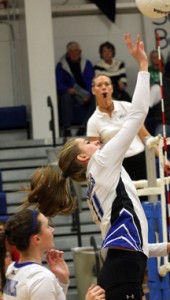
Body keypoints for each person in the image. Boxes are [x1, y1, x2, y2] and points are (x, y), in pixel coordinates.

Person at [20, 33, 170, 300]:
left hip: (122, 268)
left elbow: (126, 237)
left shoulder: (97, 183)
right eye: (87, 143)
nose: (95, 143)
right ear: (83, 157)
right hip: (122, 270)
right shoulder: (101, 162)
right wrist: (143, 65)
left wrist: (163, 248)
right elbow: (137, 115)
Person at [0, 209, 105, 300]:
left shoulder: (12, 268)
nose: (52, 229)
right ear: (37, 239)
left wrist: (62, 280)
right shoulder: (41, 278)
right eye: (47, 226)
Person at [56, 41, 95, 137]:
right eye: (71, 51)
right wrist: (67, 89)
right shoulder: (61, 66)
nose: (74, 53)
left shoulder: (87, 64)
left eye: (76, 51)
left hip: (84, 92)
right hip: (70, 93)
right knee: (65, 97)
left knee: (97, 99)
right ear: (68, 53)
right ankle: (67, 128)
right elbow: (58, 83)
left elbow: (91, 80)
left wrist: (89, 94)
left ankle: (84, 127)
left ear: (80, 52)